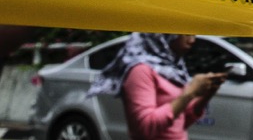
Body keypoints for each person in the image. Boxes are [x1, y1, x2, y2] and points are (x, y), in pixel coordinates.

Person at [88, 33, 227, 140]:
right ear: (165, 35)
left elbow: (179, 121)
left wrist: (207, 93)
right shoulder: (140, 70)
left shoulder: (172, 69)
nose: (192, 40)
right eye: (186, 34)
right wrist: (189, 93)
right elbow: (145, 128)